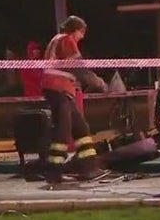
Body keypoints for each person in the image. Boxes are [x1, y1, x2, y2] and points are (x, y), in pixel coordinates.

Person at [41, 16, 109, 183]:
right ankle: (53, 171)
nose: (82, 37)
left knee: (81, 127)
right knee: (62, 131)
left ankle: (89, 167)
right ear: (76, 30)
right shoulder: (66, 40)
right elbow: (78, 67)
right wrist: (98, 82)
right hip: (59, 89)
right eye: (82, 32)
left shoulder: (56, 40)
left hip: (59, 89)